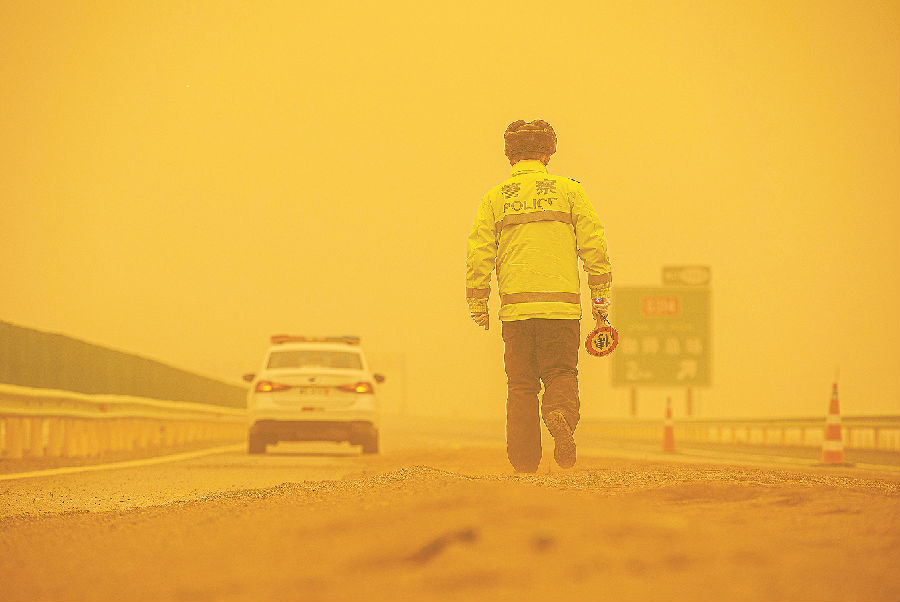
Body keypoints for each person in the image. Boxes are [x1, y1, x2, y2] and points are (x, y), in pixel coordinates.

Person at [465, 119, 612, 471]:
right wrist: (600, 299)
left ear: (509, 156)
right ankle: (559, 412)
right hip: (561, 311)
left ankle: (524, 463)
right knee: (561, 372)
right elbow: (594, 245)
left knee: (520, 386)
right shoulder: (570, 191)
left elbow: (479, 253)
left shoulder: (495, 198)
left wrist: (478, 302)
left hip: (517, 314)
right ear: (548, 154)